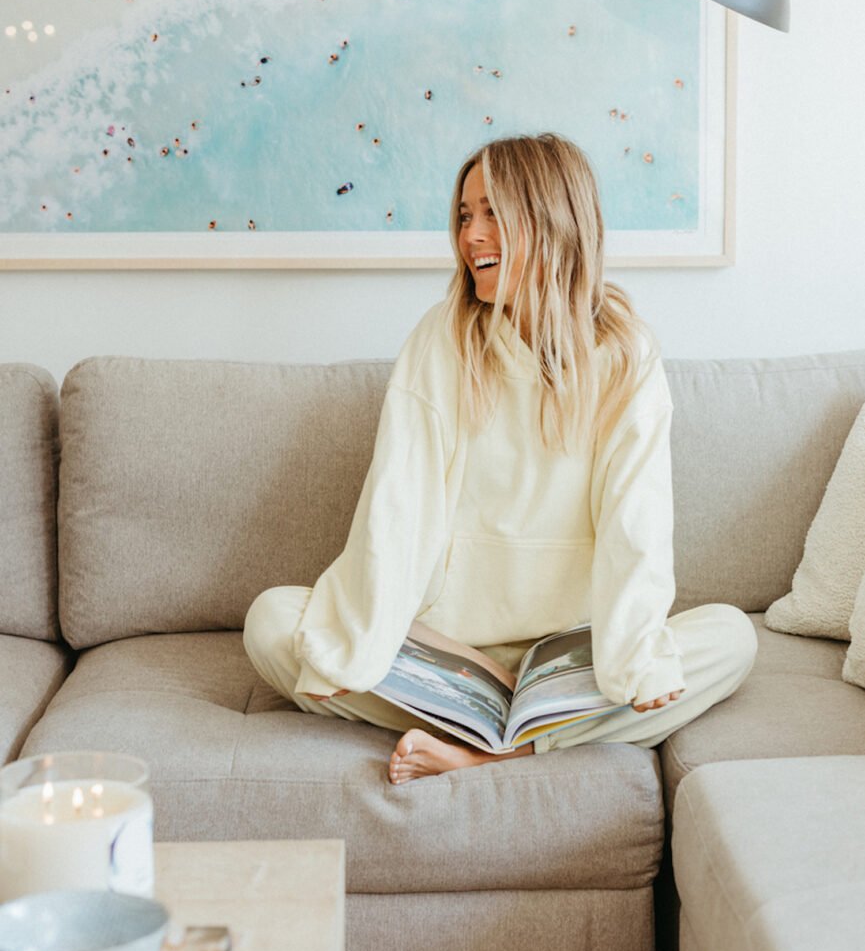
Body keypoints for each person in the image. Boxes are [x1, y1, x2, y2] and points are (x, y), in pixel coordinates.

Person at [243, 132, 757, 785]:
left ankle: (492, 752)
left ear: (550, 220)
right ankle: (497, 729)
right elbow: (400, 504)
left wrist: (632, 659)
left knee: (729, 638)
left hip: (573, 654)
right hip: (450, 652)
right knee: (274, 623)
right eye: (464, 216)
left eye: (491, 214)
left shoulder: (624, 354)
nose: (471, 237)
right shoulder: (444, 338)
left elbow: (638, 521)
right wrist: (359, 643)